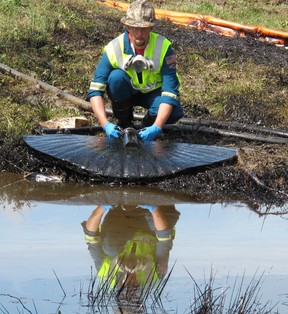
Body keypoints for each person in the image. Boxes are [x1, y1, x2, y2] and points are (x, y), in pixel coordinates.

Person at [86, 0, 184, 141]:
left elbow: (170, 92)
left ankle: (147, 125)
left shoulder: (163, 47)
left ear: (151, 28)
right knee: (116, 78)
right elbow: (95, 89)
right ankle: (125, 123)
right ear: (127, 27)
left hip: (154, 93)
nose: (139, 34)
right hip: (125, 90)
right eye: (134, 28)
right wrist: (105, 124)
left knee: (174, 111)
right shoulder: (114, 48)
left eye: (144, 28)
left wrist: (156, 127)